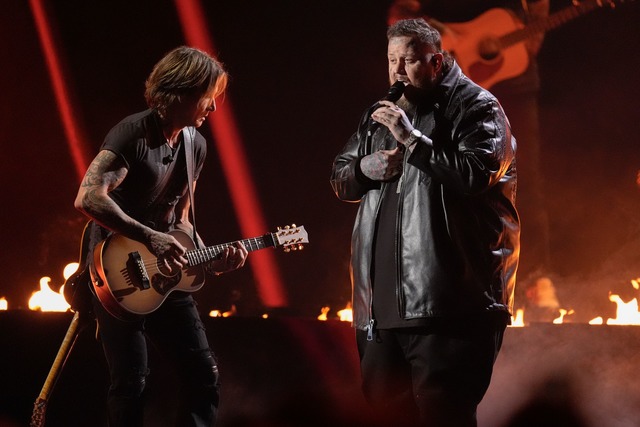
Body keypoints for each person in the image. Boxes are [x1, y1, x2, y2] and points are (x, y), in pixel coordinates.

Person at [330, 18, 519, 426]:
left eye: (410, 60)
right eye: (392, 60)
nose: (398, 71)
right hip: (381, 311)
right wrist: (367, 166)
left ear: (437, 61)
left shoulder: (477, 106)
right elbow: (341, 177)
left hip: (448, 306)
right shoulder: (381, 113)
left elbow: (475, 173)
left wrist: (412, 140)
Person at [74, 46, 248, 427]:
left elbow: (182, 218)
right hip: (114, 263)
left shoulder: (195, 146)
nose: (214, 109)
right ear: (183, 92)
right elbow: (88, 197)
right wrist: (150, 237)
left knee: (204, 374)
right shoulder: (132, 133)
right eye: (209, 97)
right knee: (131, 381)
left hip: (165, 269)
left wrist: (210, 258)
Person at [388, 0, 552, 305]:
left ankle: (533, 281)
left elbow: (535, 15)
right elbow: (401, 13)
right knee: (442, 178)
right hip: (444, 83)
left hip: (511, 76)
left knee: (522, 181)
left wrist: (524, 44)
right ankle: (438, 284)